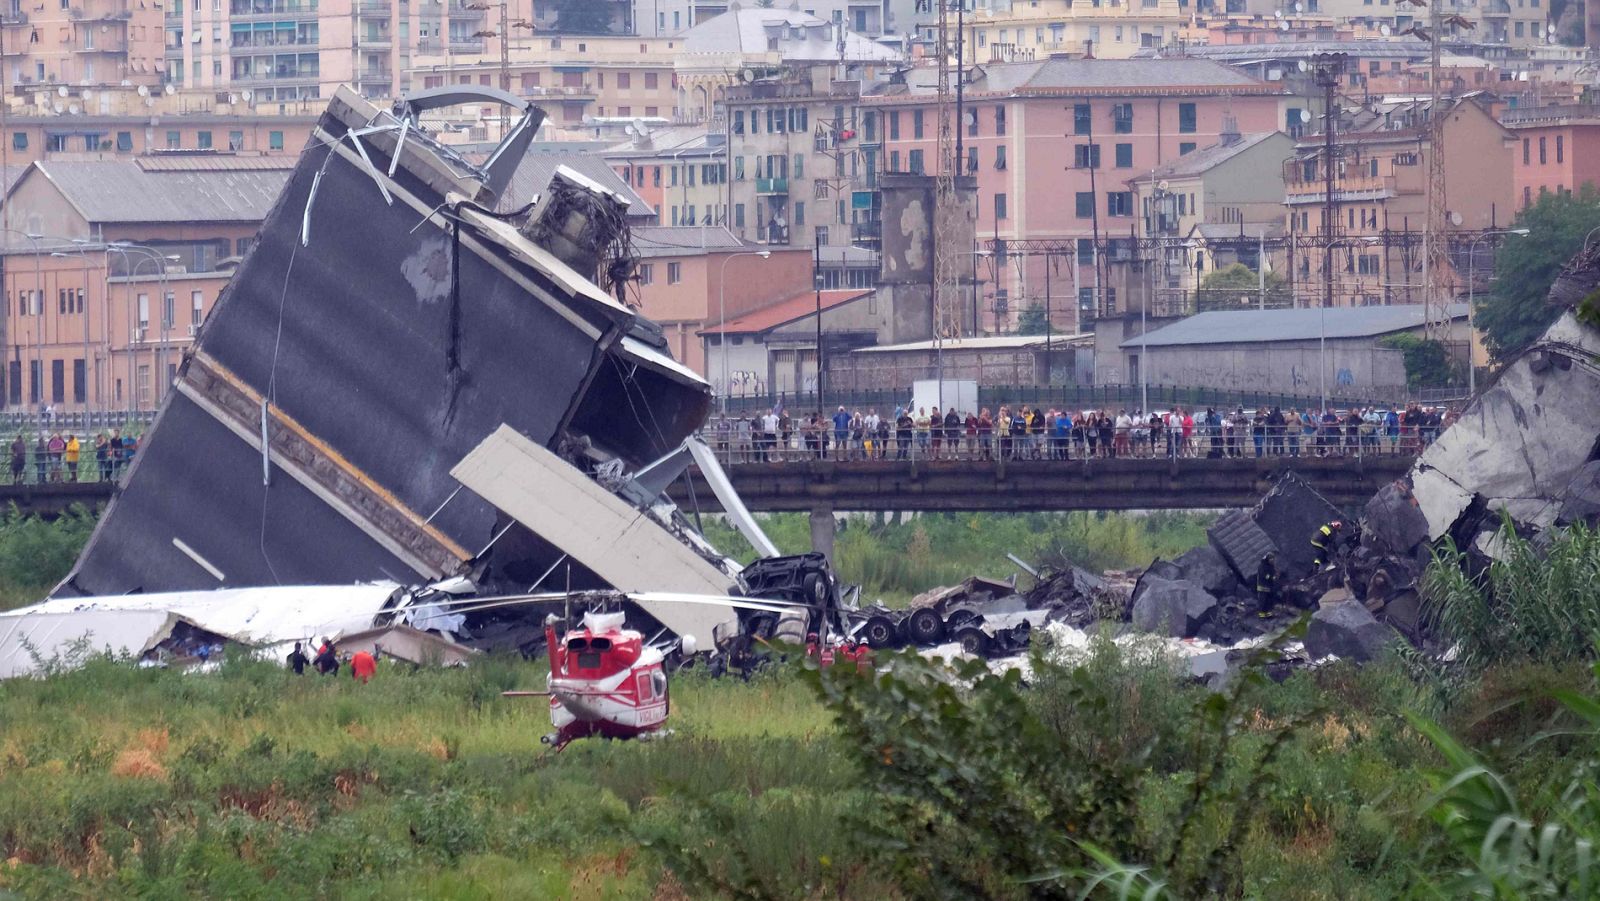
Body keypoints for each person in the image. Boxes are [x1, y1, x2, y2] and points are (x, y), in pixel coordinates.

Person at [1254, 552, 1280, 616]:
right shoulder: (1262, 566)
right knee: (1263, 602)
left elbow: (1272, 572)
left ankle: (1269, 615)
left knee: (1269, 602)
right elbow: (1264, 575)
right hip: (1263, 587)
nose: (1273, 561)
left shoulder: (1270, 566)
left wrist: (1276, 575)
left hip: (1269, 587)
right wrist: (1272, 578)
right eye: (1271, 560)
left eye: (1273, 560)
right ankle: (1262, 615)